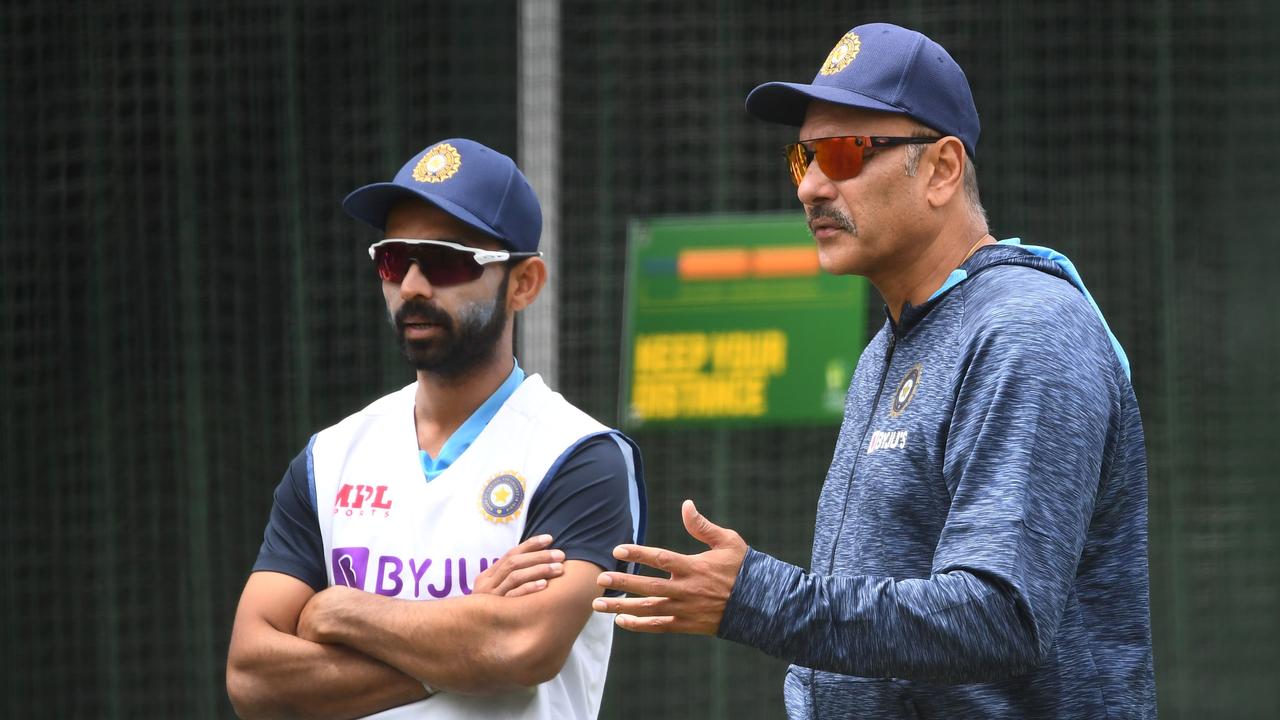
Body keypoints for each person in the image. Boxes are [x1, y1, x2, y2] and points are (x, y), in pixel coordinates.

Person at [590, 22, 1155, 718]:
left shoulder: (1025, 328)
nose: (813, 187)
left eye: (845, 152)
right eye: (803, 158)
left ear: (943, 170)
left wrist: (759, 598)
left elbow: (1002, 614)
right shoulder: (891, 343)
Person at [226, 138, 646, 720]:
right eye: (395, 260)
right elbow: (252, 676)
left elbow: (521, 648)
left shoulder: (579, 456)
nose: (414, 287)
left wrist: (341, 612)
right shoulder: (331, 456)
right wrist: (466, 639)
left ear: (523, 283)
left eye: (446, 259)